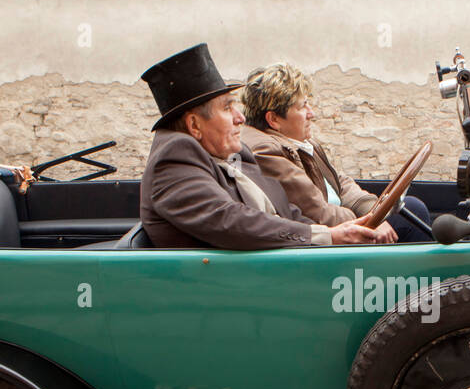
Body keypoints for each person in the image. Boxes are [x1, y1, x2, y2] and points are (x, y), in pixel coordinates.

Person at [138, 44, 394, 250]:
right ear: (194, 125)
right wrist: (327, 236)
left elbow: (288, 212)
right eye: (227, 108)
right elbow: (230, 221)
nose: (240, 117)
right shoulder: (175, 157)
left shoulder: (233, 153)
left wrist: (333, 234)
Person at [239, 63, 431, 242]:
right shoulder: (266, 152)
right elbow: (317, 213)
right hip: (329, 244)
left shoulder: (303, 143)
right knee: (414, 210)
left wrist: (373, 211)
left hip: (343, 226)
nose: (311, 113)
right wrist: (369, 221)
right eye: (302, 106)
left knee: (409, 209)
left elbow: (341, 184)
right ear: (274, 119)